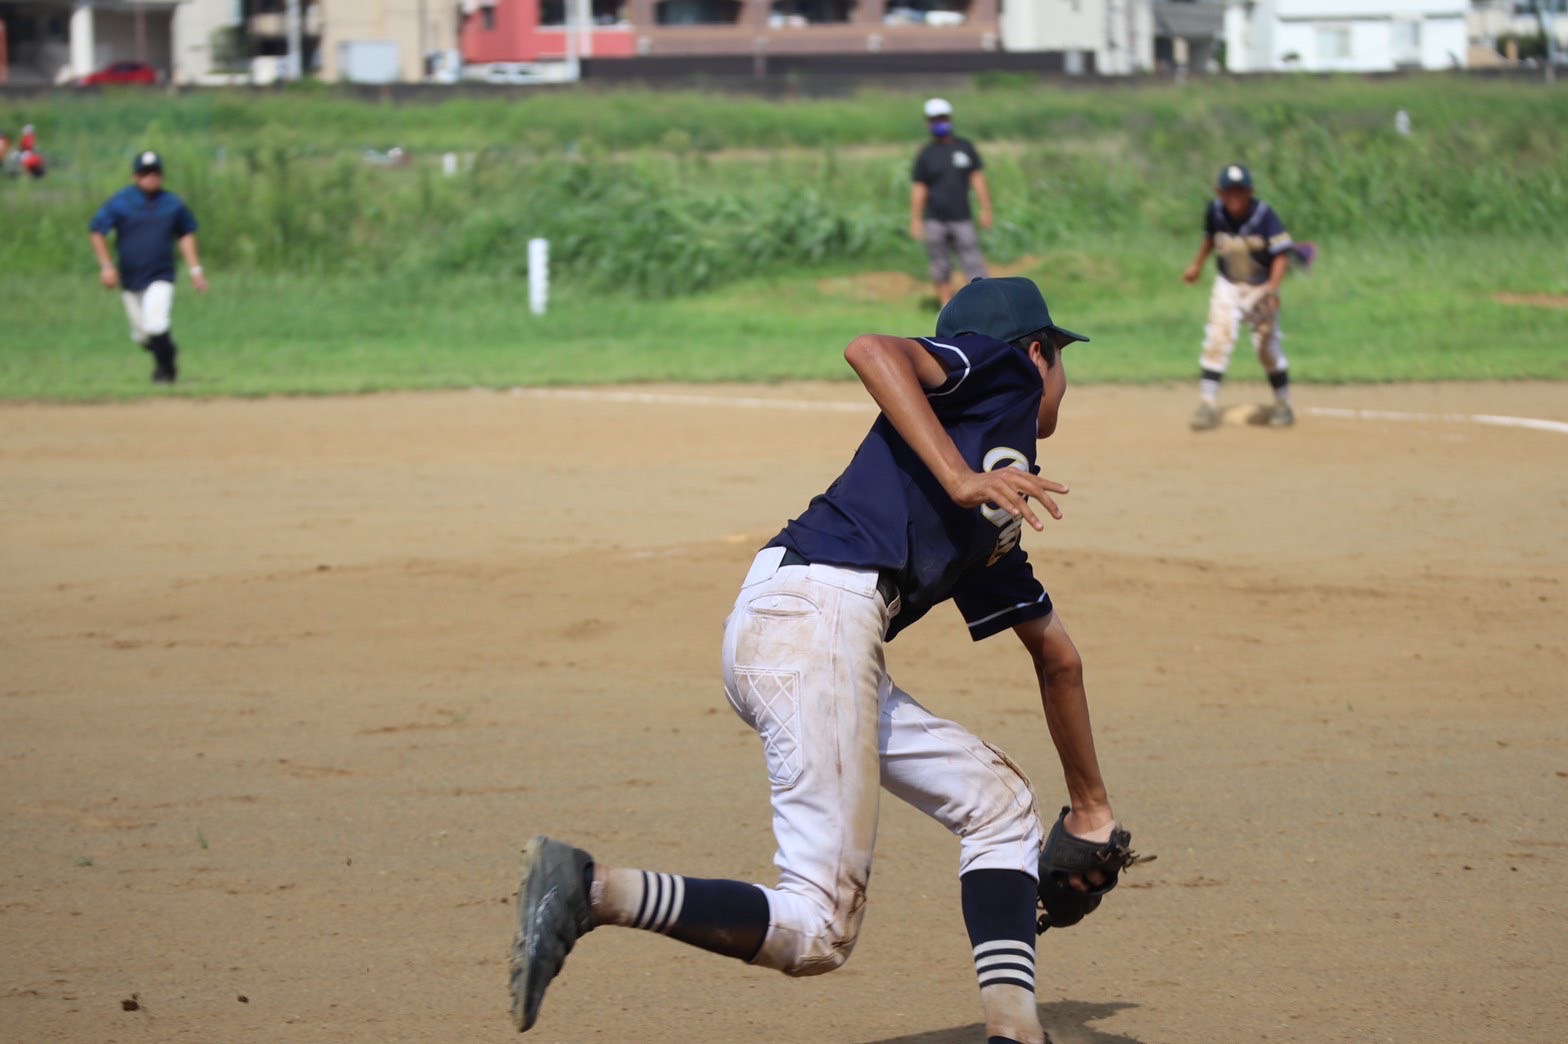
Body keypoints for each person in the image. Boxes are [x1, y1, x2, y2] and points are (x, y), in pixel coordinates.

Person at [511, 277, 1138, 1044]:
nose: (1060, 381)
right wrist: (958, 474)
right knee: (817, 931)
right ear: (1037, 352)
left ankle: (1016, 1031)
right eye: (1060, 359)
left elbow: (1057, 658)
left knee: (1000, 806)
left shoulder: (999, 511)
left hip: (805, 634)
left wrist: (1092, 810)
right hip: (815, 619)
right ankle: (590, 889)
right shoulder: (998, 371)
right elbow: (871, 349)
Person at [1181, 163, 1296, 430]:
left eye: (1240, 191)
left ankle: (1283, 405)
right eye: (1228, 191)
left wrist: (1272, 289)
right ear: (1219, 192)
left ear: (1250, 191)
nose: (1234, 196)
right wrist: (1196, 265)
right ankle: (1207, 405)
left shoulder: (1264, 215)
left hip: (1260, 287)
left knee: (1266, 346)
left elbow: (1281, 254)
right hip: (1228, 285)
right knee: (1218, 337)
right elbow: (1210, 238)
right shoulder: (1216, 211)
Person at [88, 151, 208, 384]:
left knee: (156, 323)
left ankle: (165, 373)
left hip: (161, 275)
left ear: (161, 175)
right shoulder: (121, 202)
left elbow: (186, 233)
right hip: (130, 278)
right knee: (142, 335)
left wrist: (196, 270)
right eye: (144, 173)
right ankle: (168, 352)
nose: (150, 177)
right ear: (135, 176)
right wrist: (106, 266)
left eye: (155, 173)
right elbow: (97, 230)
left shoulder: (172, 204)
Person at [910, 97, 993, 308]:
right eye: (934, 119)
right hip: (935, 219)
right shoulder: (927, 154)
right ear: (928, 122)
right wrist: (915, 220)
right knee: (940, 265)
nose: (939, 122)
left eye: (942, 118)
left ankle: (982, 304)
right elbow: (920, 188)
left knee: (973, 263)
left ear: (950, 119)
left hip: (962, 217)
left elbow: (977, 178)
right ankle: (945, 307)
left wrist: (986, 208)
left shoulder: (964, 148)